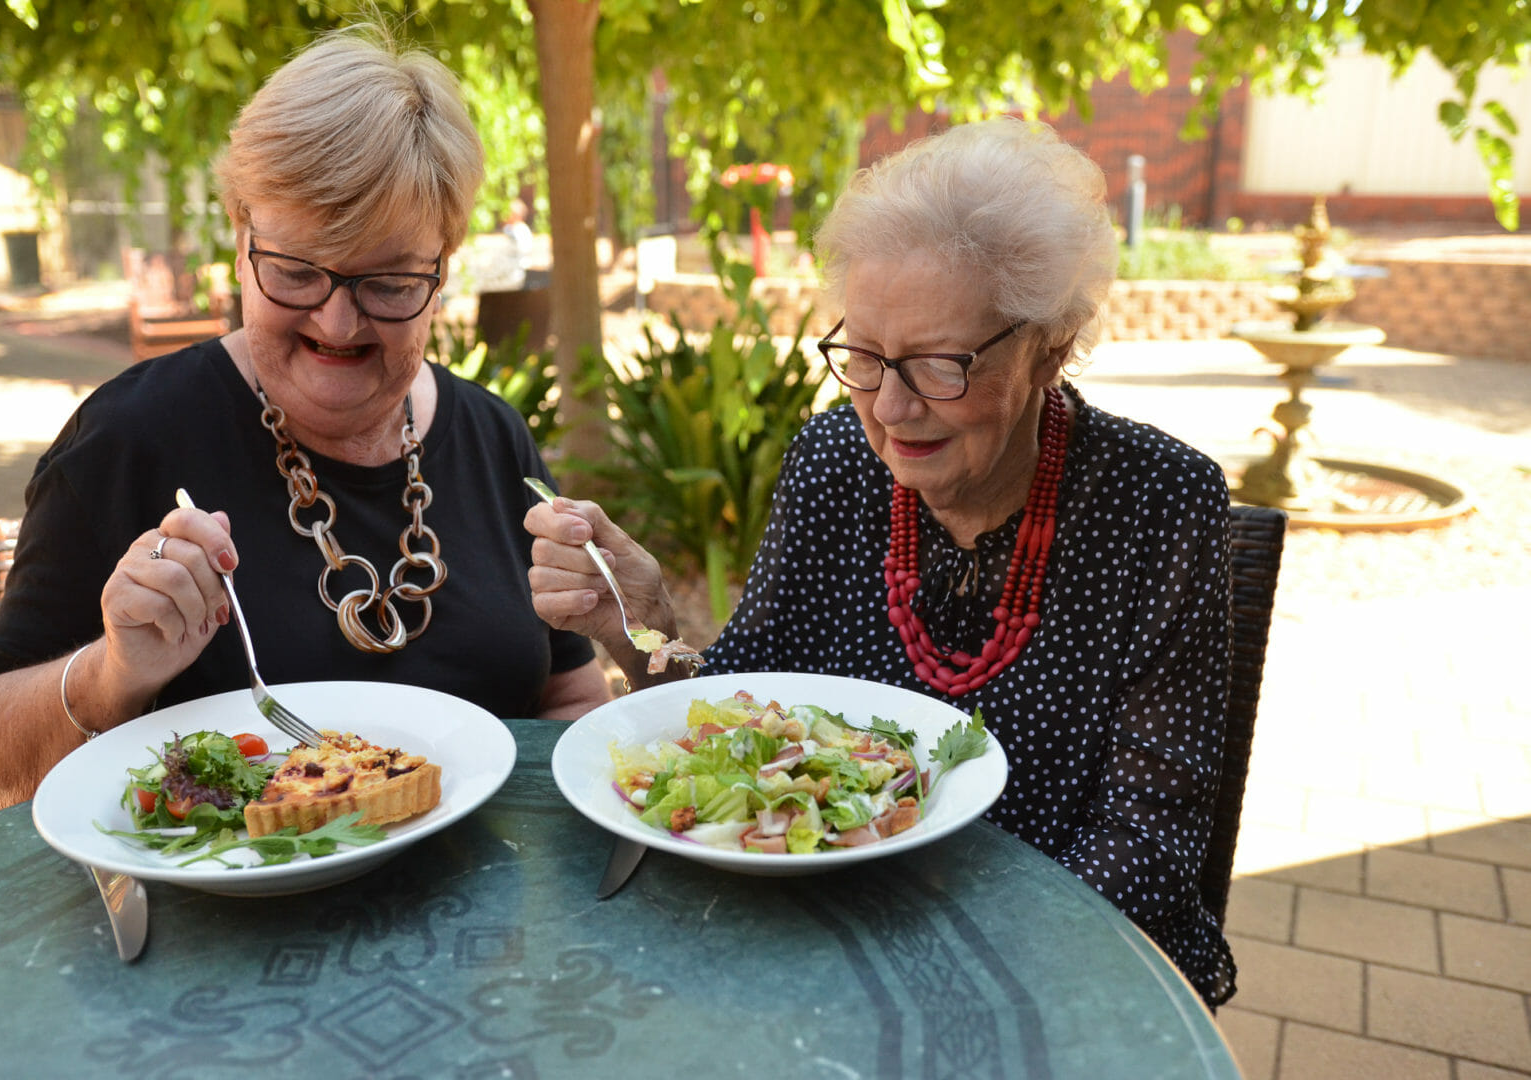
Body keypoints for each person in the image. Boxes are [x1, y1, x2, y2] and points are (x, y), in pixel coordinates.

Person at [524, 117, 1238, 1007]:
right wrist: (644, 629)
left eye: (940, 364)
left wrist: (938, 974)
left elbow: (1150, 842)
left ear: (1048, 344)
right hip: (822, 930)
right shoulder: (834, 462)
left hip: (1054, 958)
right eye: (862, 356)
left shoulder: (1158, 504)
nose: (891, 409)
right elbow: (743, 716)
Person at [0, 21, 610, 808]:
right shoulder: (131, 437)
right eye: (295, 272)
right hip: (221, 919)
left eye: (390, 283)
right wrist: (109, 672)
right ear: (239, 240)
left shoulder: (493, 438)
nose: (337, 324)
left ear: (444, 266)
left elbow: (569, 703)